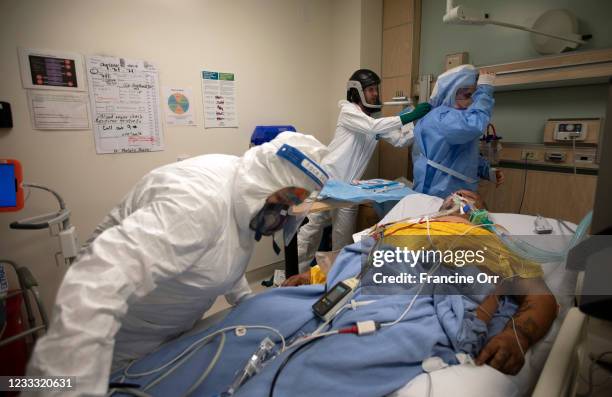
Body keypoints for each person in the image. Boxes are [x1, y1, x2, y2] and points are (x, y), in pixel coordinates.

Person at [27, 132, 330, 396]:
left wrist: (246, 304)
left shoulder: (246, 189)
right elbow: (97, 282)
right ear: (270, 179)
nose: (283, 211)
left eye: (292, 204)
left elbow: (226, 248)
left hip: (172, 331)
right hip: (119, 340)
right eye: (286, 200)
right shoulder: (197, 204)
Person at [285, 189, 557, 376]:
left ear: (481, 213)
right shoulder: (404, 225)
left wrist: (517, 335)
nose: (458, 197)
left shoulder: (488, 238)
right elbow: (358, 258)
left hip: (417, 294)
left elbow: (540, 296)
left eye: (469, 198)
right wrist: (312, 276)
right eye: (451, 196)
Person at [297, 68, 432, 272]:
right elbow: (373, 127)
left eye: (376, 89)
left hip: (349, 190)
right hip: (326, 181)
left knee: (342, 242)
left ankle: (333, 279)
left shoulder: (372, 121)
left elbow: (400, 141)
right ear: (357, 91)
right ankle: (294, 275)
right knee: (311, 231)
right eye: (370, 89)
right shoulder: (348, 112)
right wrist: (406, 117)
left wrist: (413, 122)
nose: (375, 93)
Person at [412, 64, 504, 199]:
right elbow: (473, 126)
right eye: (468, 95)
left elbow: (465, 156)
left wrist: (487, 171)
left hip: (456, 193)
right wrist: (484, 92)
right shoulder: (441, 117)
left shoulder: (456, 119)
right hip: (436, 194)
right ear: (450, 93)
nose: (471, 102)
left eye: (474, 96)